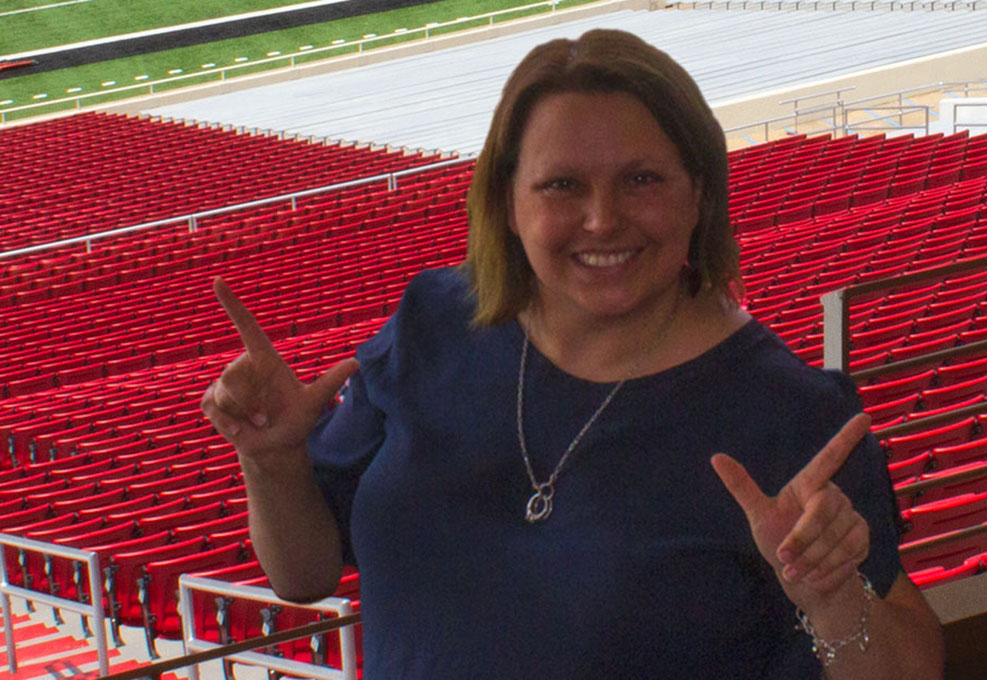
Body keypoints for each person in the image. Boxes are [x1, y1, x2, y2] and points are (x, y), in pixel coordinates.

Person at [201, 28, 944, 678]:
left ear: (699, 195)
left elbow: (910, 669)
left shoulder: (791, 415)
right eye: (561, 186)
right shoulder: (434, 322)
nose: (601, 219)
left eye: (641, 180)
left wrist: (833, 597)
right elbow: (302, 573)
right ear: (507, 203)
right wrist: (271, 462)